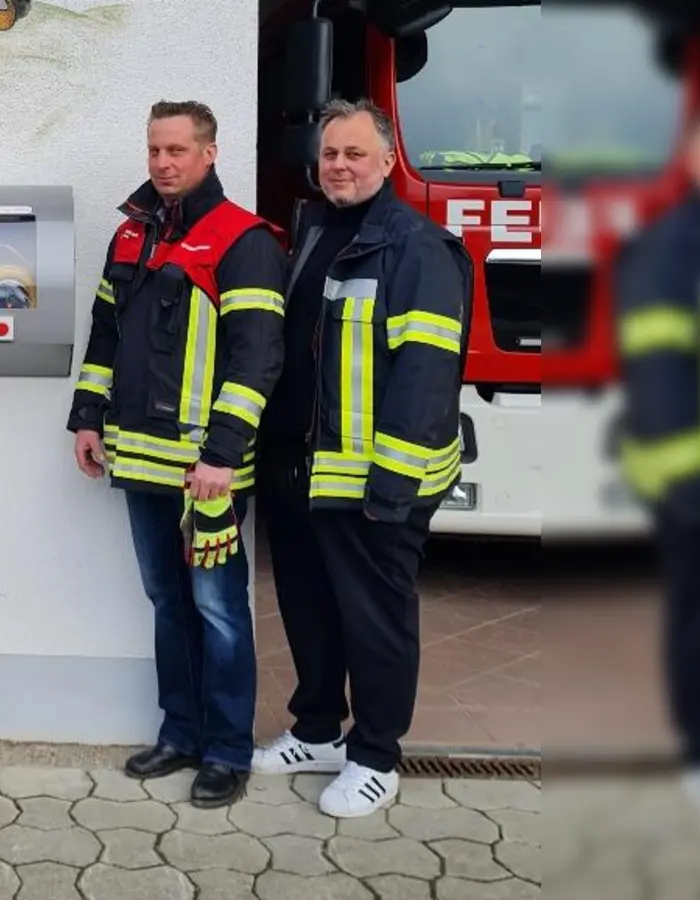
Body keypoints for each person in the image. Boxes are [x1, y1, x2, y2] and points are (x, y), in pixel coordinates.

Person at [251, 98, 471, 818]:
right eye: (330, 154)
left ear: (385, 160)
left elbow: (425, 380)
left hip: (376, 483)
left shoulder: (417, 249)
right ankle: (317, 729)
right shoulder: (313, 230)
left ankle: (376, 754)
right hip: (301, 470)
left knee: (374, 622)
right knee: (309, 611)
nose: (339, 166)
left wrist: (393, 486)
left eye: (353, 154)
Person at [66, 100, 287, 809]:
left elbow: (257, 359)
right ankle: (181, 733)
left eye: (178, 151)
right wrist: (87, 417)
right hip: (139, 460)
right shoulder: (131, 233)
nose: (163, 163)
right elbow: (105, 333)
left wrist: (223, 454)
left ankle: (226, 751)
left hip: (207, 473)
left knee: (218, 610)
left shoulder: (243, 241)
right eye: (155, 149)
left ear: (210, 154)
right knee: (168, 601)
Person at [615, 97, 700, 820]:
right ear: (698, 163)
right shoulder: (673, 249)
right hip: (699, 483)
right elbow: (659, 376)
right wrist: (687, 483)